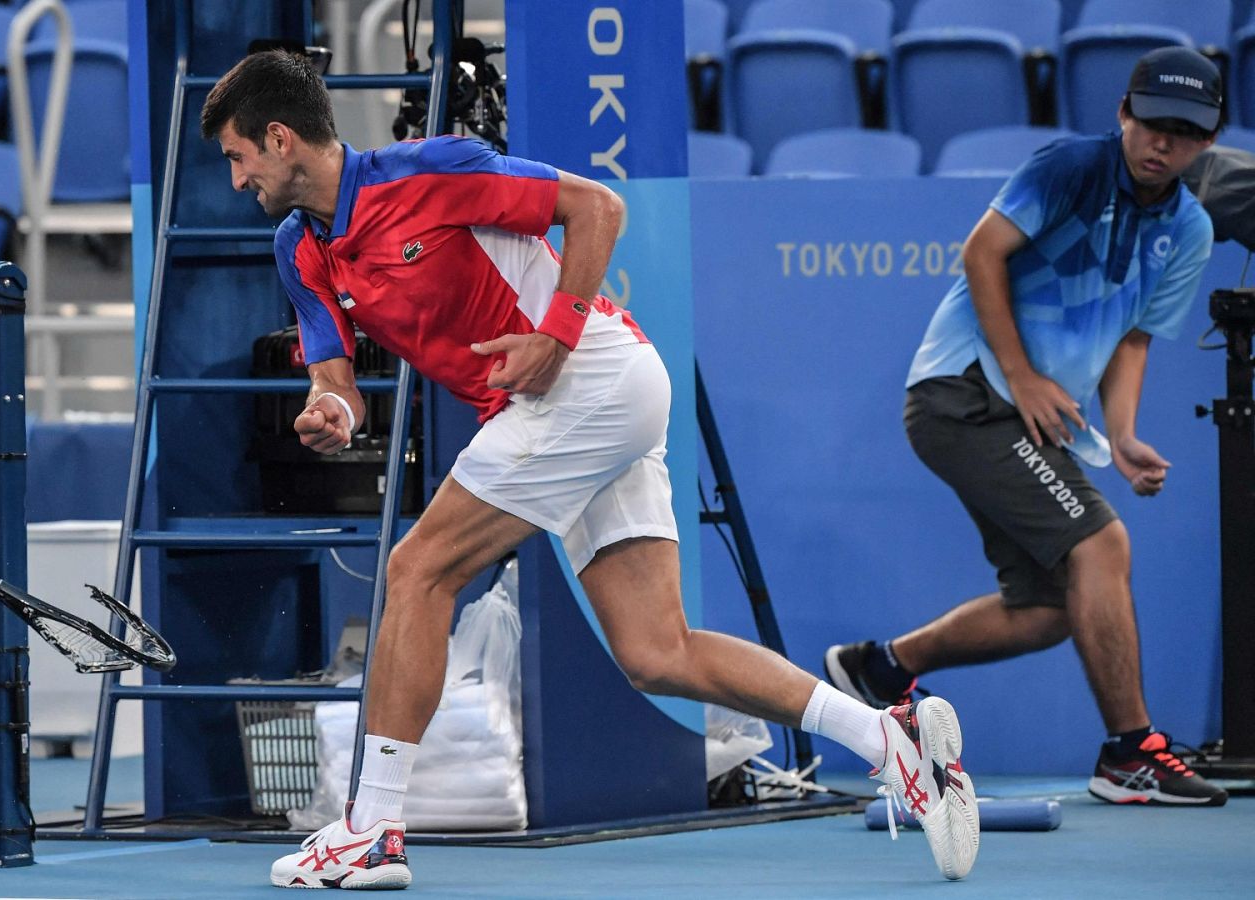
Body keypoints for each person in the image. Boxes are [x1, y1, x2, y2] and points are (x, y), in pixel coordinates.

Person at [201, 50, 979, 890]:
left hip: (590, 378)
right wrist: (334, 413)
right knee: (657, 651)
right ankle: (885, 737)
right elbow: (336, 379)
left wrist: (554, 332)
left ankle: (373, 830)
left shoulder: (428, 171)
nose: (238, 179)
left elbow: (596, 207)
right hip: (583, 404)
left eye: (239, 157)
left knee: (417, 569)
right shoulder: (299, 248)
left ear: (280, 139)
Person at [824, 47, 1230, 808]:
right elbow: (982, 252)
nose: (1162, 143)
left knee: (1051, 608)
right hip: (966, 393)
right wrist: (1022, 376)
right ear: (1123, 115)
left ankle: (880, 668)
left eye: (1183, 132)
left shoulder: (1189, 230)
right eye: (1151, 124)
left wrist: (1126, 431)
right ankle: (1129, 752)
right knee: (1101, 543)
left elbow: (1133, 337)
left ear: (1207, 142)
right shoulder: (1069, 168)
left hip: (1026, 418)